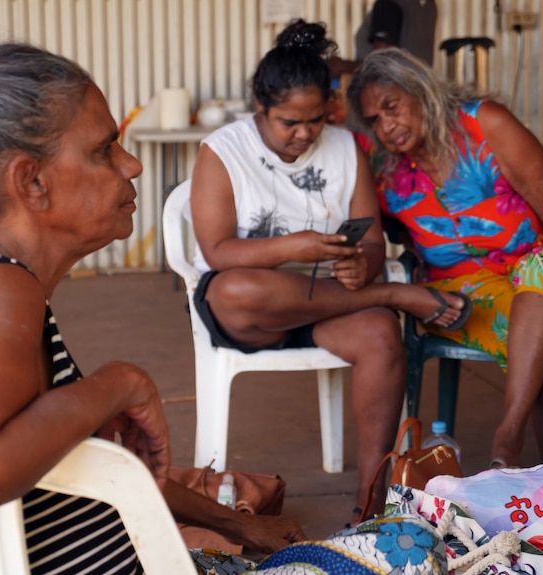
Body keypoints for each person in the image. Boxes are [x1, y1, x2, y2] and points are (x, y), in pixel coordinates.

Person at [0, 42, 304, 574]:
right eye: (103, 149)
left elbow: (91, 465)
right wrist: (121, 382)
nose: (131, 165)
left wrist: (241, 525)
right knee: (407, 548)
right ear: (31, 182)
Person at [189, 19, 471, 525]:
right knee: (239, 288)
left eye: (315, 120)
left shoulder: (345, 149)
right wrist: (294, 246)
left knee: (381, 338)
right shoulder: (222, 151)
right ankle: (395, 296)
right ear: (262, 109)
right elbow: (216, 250)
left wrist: (358, 264)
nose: (304, 134)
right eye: (288, 123)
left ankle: (371, 504)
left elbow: (368, 241)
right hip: (255, 311)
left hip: (332, 304)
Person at [346, 47, 543, 469]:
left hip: (534, 268)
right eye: (373, 119)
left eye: (393, 107)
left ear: (420, 91)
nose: (386, 126)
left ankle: (510, 439)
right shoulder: (381, 166)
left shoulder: (484, 123)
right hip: (457, 293)